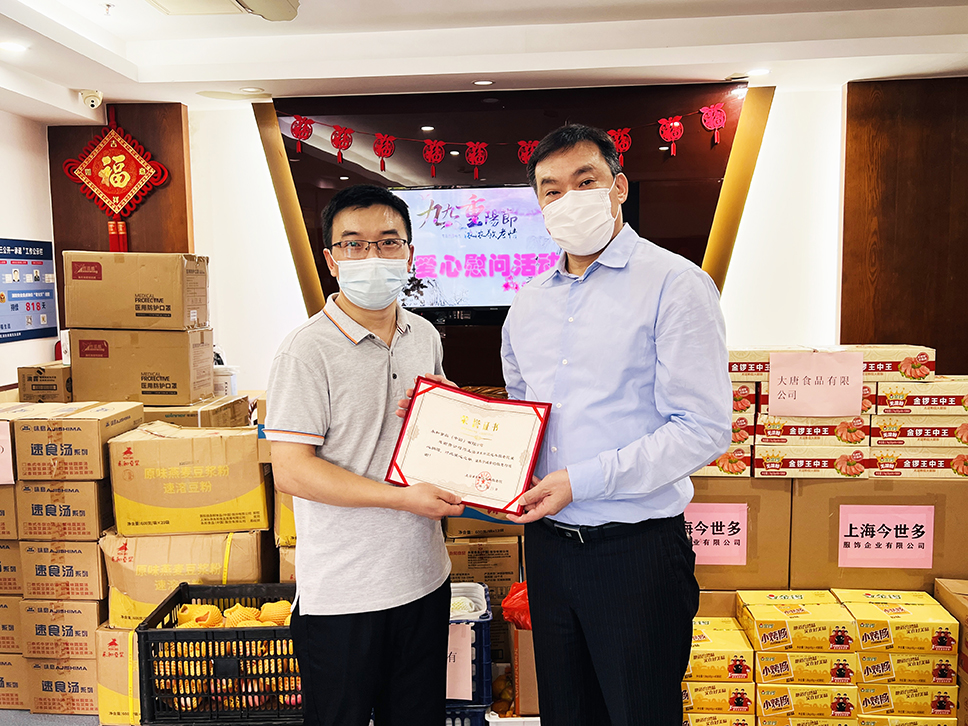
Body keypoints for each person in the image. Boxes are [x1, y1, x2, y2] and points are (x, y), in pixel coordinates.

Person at [501, 124, 732, 726]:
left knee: (639, 713)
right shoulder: (528, 301)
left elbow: (704, 427)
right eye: (551, 190)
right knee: (565, 713)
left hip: (636, 554)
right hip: (549, 550)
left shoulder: (675, 284)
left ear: (618, 187)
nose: (568, 199)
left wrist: (581, 480)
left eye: (586, 181)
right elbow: (523, 416)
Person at [264, 184, 464, 726]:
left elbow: (435, 429)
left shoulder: (423, 334)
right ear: (332, 261)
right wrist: (401, 499)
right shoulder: (305, 351)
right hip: (344, 593)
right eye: (353, 244)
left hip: (424, 577)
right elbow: (292, 471)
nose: (372, 256)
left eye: (388, 242)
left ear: (409, 254)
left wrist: (446, 413)